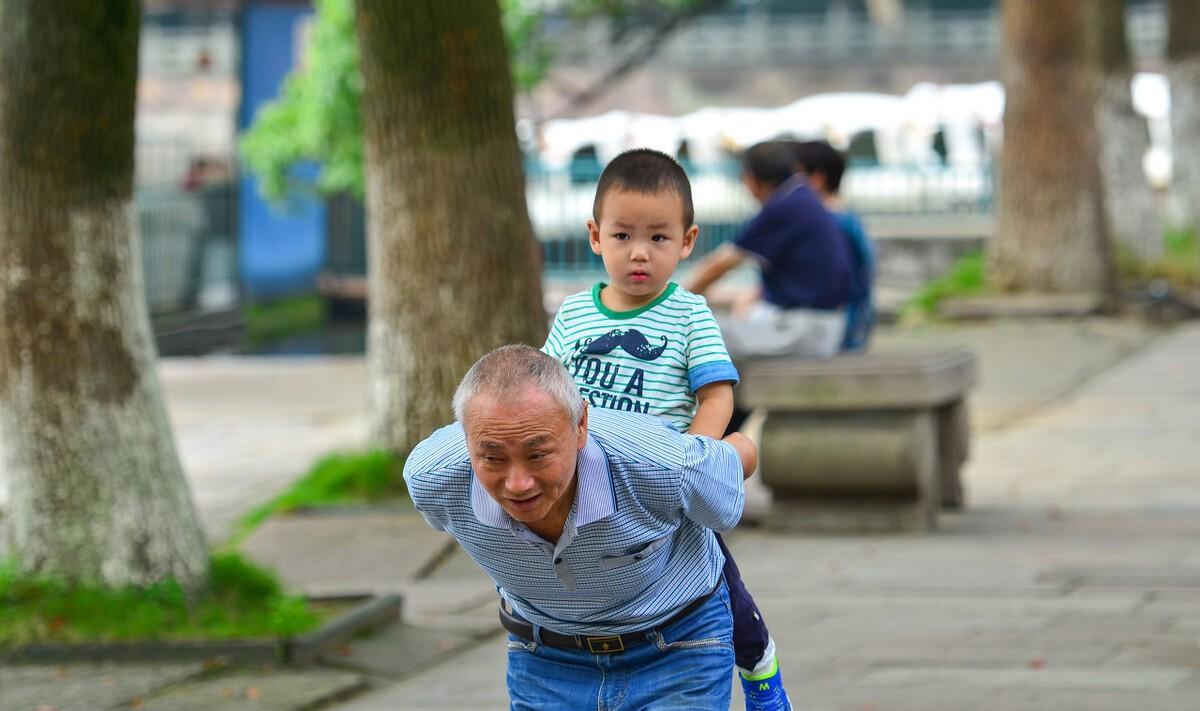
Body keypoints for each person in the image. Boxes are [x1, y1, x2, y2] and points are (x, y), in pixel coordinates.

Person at [542, 148, 793, 711]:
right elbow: (548, 391)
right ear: (594, 236)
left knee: (715, 574)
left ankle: (758, 663)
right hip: (588, 479)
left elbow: (717, 392)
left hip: (661, 477)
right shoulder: (575, 313)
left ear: (687, 241)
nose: (639, 253)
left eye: (658, 238)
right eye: (623, 235)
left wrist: (694, 456)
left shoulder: (687, 314)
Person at [404, 345, 758, 710]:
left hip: (678, 645)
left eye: (538, 454)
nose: (518, 483)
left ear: (580, 427)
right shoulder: (434, 481)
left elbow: (739, 454)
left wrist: (727, 458)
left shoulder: (662, 465)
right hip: (545, 657)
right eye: (493, 458)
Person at [685, 141, 855, 359]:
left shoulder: (785, 206)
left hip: (807, 329)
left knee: (695, 333)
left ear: (752, 178)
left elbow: (720, 265)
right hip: (821, 324)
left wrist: (672, 301)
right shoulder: (802, 197)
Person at [790, 140, 876, 352]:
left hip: (839, 328)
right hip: (850, 325)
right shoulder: (845, 217)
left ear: (817, 179)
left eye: (793, 177)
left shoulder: (833, 222)